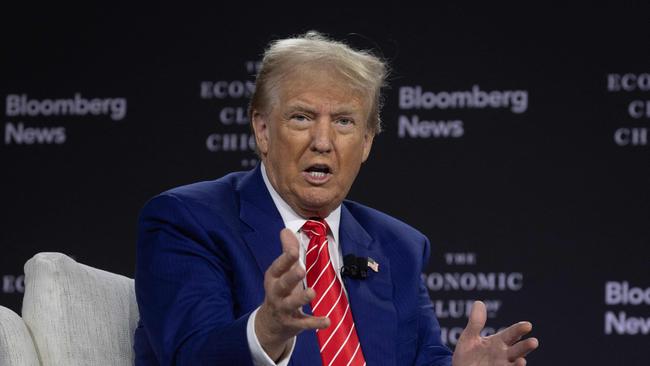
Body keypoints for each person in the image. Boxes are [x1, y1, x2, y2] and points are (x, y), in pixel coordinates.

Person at [134, 31, 539, 366]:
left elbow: (423, 359)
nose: (323, 142)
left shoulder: (399, 246)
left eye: (344, 122)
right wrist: (266, 331)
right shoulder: (188, 220)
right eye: (302, 117)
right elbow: (188, 354)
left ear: (365, 143)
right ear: (262, 130)